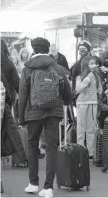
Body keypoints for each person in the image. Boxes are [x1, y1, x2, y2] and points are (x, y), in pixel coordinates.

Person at [19, 37, 72, 198]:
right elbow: (68, 95)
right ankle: (48, 188)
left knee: (33, 145)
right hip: (53, 113)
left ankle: (33, 183)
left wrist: (21, 118)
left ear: (33, 49)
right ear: (48, 49)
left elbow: (22, 96)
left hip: (33, 112)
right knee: (51, 148)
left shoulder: (27, 69)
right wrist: (65, 102)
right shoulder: (58, 68)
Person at [75, 56, 102, 159]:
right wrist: (89, 77)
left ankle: (90, 152)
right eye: (91, 63)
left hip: (93, 103)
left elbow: (99, 90)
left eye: (94, 63)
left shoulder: (97, 77)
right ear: (86, 64)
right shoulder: (80, 77)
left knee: (91, 128)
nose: (93, 65)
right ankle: (80, 150)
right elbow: (78, 89)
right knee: (81, 127)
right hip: (82, 103)